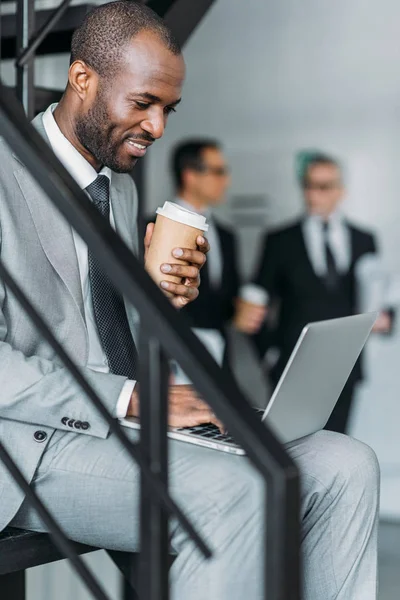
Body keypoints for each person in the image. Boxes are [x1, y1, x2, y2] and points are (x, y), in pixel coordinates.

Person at [0, 4, 379, 599]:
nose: (157, 128)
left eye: (167, 110)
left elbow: (105, 328)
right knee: (240, 488)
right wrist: (130, 399)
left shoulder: (117, 190)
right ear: (82, 79)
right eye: (143, 103)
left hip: (128, 423)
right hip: (33, 439)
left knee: (343, 464)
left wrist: (156, 302)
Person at [238, 151, 393, 434]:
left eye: (323, 187)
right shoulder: (279, 240)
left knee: (338, 445)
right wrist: (269, 357)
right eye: (308, 185)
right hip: (292, 364)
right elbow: (254, 304)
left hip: (346, 362)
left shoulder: (364, 239)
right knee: (295, 446)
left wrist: (387, 318)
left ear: (340, 190)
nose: (313, 195)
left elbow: (376, 292)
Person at [168, 139, 239, 369]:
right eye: (218, 172)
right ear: (190, 175)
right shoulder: (152, 228)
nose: (226, 180)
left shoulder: (227, 236)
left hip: (219, 360)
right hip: (172, 360)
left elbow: (224, 302)